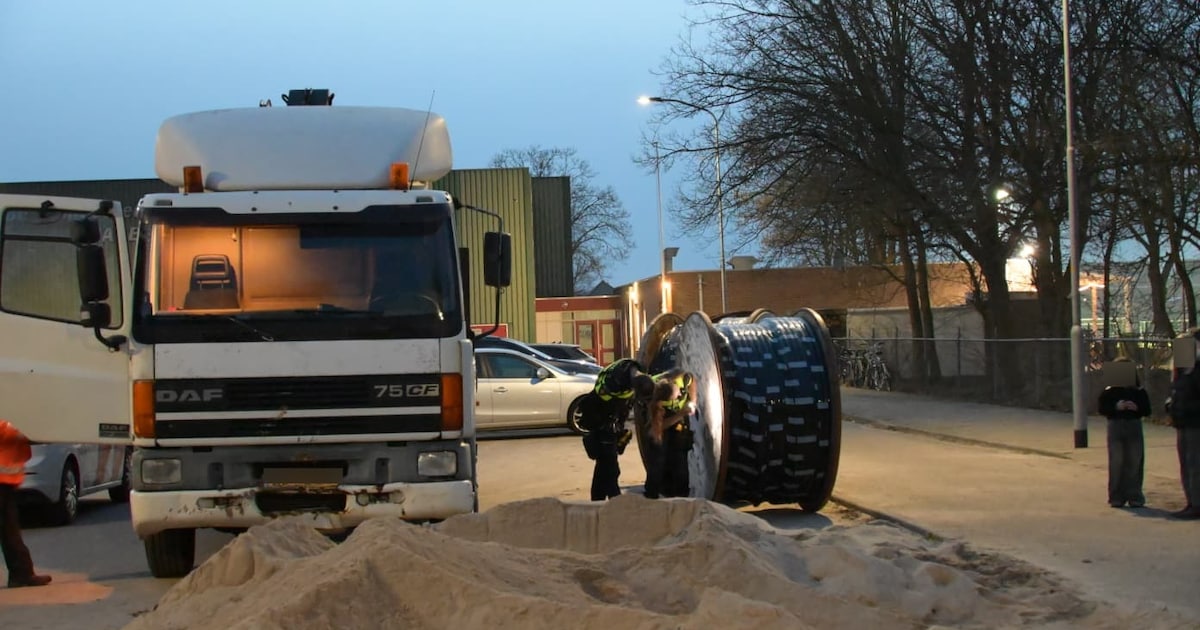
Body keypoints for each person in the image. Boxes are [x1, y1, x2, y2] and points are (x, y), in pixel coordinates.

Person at [579, 359, 654, 501]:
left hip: (610, 419)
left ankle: (597, 500)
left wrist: (620, 428)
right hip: (599, 418)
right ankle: (616, 500)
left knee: (603, 466)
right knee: (611, 467)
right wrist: (615, 429)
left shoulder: (637, 371)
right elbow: (609, 407)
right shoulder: (614, 383)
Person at [1, 420, 52, 588]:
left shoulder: (18, 417)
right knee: (9, 528)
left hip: (5, 483)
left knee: (9, 529)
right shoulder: (7, 420)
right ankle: (21, 573)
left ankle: (21, 573)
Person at [1097, 360, 1150, 508]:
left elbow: (1147, 410)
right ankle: (1116, 496)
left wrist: (1136, 408)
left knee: (1134, 462)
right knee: (1117, 462)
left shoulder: (1138, 391)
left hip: (1134, 425)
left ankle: (1135, 495)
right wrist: (1116, 407)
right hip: (1116, 425)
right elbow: (1102, 409)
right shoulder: (1109, 391)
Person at [643, 368, 697, 500]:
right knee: (657, 458)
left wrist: (693, 401)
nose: (680, 396)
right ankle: (652, 494)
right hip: (661, 422)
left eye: (679, 393)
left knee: (679, 460)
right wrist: (681, 414)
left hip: (677, 419)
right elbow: (657, 428)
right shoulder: (655, 403)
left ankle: (681, 494)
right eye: (676, 397)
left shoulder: (680, 379)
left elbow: (692, 380)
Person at [1166, 330, 1200, 520]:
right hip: (1182, 423)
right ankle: (1191, 501)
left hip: (1195, 423)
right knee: (1186, 463)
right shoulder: (1180, 374)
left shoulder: (1197, 372)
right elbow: (1176, 393)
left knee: (1195, 464)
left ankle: (1197, 503)